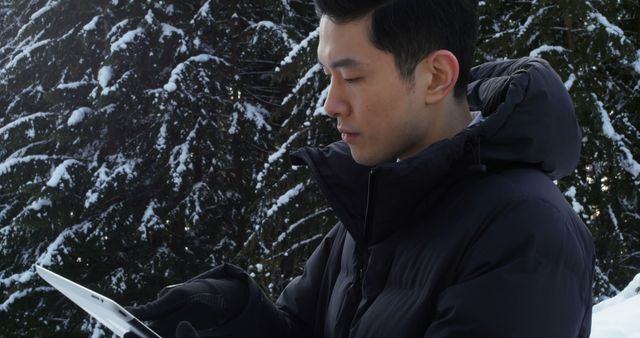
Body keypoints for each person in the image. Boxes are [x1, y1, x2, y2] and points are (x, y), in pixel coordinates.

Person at [128, 0, 595, 337]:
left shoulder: (528, 233)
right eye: (327, 76)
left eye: (351, 77)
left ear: (435, 77)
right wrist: (235, 315)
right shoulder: (378, 204)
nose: (330, 103)